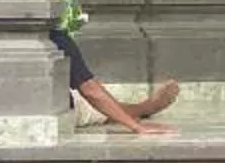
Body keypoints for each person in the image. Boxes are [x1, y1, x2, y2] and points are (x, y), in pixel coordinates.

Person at [50, 26, 179, 135]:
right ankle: (143, 109)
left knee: (93, 100)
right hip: (57, 109)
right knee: (93, 108)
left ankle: (140, 109)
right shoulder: (57, 38)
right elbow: (90, 90)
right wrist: (136, 127)